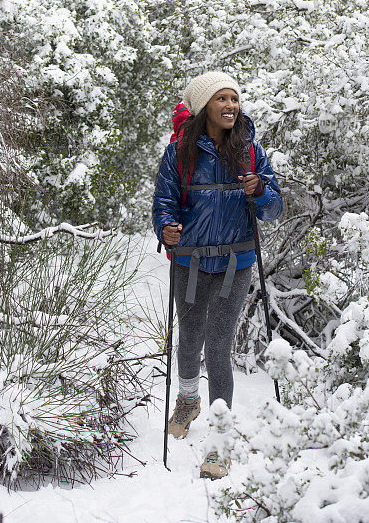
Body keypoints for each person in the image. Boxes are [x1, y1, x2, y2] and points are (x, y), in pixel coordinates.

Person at [152, 71, 283, 479]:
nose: (230, 106)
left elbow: (274, 209)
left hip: (234, 263)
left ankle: (220, 440)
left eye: (234, 99)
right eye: (221, 99)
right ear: (203, 106)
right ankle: (188, 401)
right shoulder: (178, 154)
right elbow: (163, 202)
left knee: (219, 344)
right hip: (189, 262)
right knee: (189, 339)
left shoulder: (251, 153)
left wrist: (260, 191)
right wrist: (166, 228)